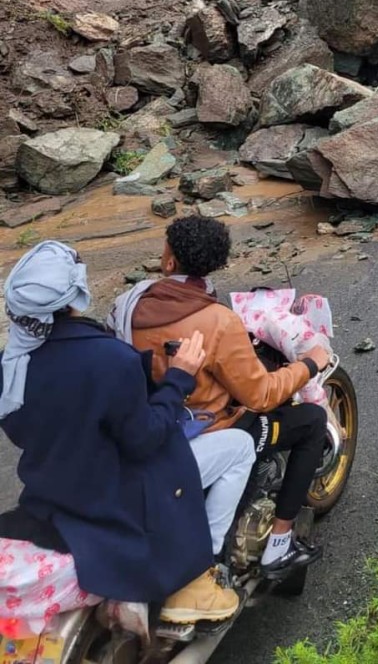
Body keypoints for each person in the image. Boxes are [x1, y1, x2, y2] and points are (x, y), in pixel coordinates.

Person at [0, 240, 241, 624]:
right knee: (239, 446)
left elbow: (24, 428)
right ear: (76, 294)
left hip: (53, 492)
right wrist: (179, 377)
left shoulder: (10, 363)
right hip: (116, 497)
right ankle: (196, 577)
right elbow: (144, 438)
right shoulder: (110, 359)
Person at [110, 216, 330, 577]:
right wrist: (308, 364)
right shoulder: (217, 320)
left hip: (146, 423)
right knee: (311, 421)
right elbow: (261, 394)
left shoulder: (127, 307)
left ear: (169, 262)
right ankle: (279, 543)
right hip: (209, 431)